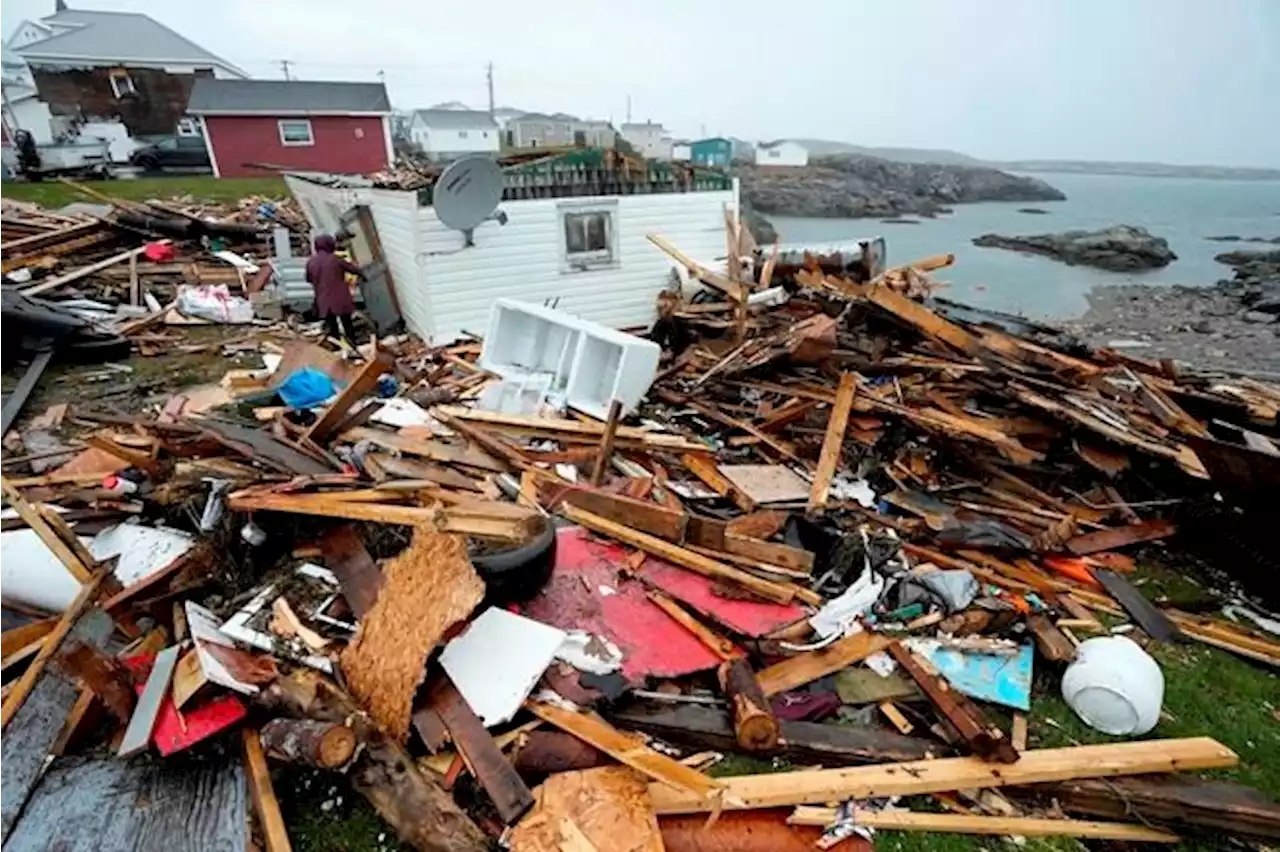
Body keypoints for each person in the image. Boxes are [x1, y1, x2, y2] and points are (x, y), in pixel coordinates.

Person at [304, 234, 364, 345]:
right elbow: (355, 270)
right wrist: (363, 276)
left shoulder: (311, 262)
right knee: (347, 324)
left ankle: (337, 348)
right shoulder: (336, 259)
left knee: (332, 326)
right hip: (340, 298)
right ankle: (352, 345)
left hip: (323, 299)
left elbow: (308, 279)